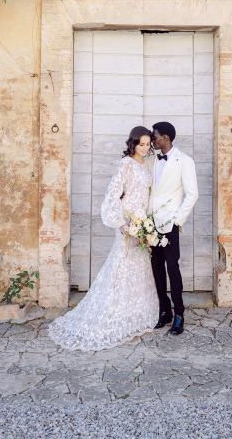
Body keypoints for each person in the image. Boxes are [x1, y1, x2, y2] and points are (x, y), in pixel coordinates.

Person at [48, 126, 158, 351]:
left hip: (141, 223)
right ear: (133, 144)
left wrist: (145, 224)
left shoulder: (145, 165)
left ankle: (135, 315)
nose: (145, 148)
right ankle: (111, 315)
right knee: (120, 267)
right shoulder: (125, 164)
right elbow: (112, 197)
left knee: (139, 267)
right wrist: (122, 224)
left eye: (148, 144)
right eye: (141, 144)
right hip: (128, 225)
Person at [148, 121, 199, 335]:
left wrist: (178, 220)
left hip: (171, 224)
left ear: (166, 137)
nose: (152, 139)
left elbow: (193, 193)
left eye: (155, 136)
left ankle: (179, 314)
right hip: (150, 223)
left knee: (172, 268)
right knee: (156, 268)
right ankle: (164, 310)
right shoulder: (152, 160)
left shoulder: (184, 161)